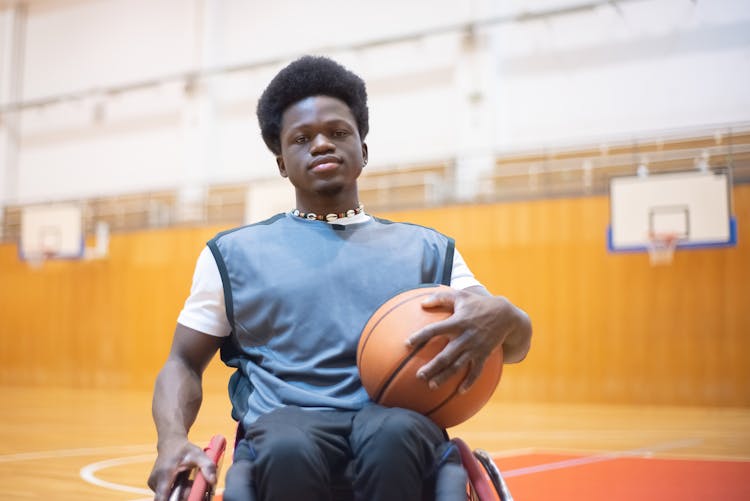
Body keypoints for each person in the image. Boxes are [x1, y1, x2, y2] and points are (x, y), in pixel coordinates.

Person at [148, 55, 532, 501]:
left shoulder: (429, 250)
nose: (322, 144)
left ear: (363, 152)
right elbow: (182, 362)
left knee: (394, 436)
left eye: (338, 132)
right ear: (282, 164)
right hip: (283, 427)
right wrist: (171, 440)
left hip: (398, 426)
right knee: (289, 444)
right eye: (302, 138)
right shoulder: (231, 255)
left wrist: (507, 314)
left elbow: (512, 343)